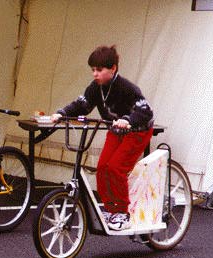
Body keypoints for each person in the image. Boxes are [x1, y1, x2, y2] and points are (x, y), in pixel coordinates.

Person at [50, 45, 154, 230]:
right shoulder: (95, 88)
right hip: (116, 131)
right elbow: (82, 104)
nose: (95, 74)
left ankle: (122, 212)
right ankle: (109, 208)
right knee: (102, 167)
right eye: (93, 70)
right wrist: (62, 113)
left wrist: (127, 119)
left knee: (116, 168)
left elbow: (144, 111)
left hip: (137, 131)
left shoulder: (127, 88)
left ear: (113, 68)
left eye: (99, 70)